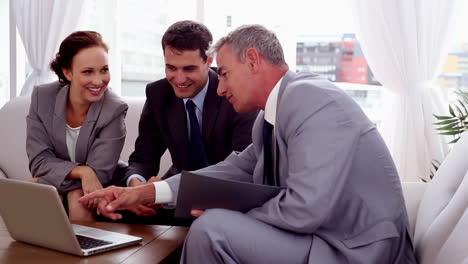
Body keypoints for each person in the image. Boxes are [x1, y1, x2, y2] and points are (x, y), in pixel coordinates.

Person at [80, 24, 417, 263]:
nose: (221, 88)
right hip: (326, 236)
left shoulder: (312, 100)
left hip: (355, 248)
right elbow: (234, 169)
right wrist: (145, 192)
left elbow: (304, 209)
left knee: (213, 229)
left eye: (224, 73)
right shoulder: (272, 114)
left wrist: (229, 211)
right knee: (213, 225)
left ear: (253, 61)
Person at [113, 20, 258, 222]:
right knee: (118, 212)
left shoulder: (234, 93)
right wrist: (137, 185)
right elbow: (143, 158)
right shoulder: (158, 93)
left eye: (189, 69)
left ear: (209, 61)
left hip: (223, 196)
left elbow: (240, 169)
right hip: (173, 192)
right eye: (171, 68)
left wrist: (162, 190)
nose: (179, 79)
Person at [26, 31, 128, 222]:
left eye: (104, 70)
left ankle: (85, 251)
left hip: (107, 185)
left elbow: (100, 174)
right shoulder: (42, 97)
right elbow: (39, 161)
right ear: (68, 72)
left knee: (76, 198)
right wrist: (83, 172)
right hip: (76, 183)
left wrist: (41, 182)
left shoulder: (114, 108)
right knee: (36, 195)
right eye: (88, 72)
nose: (99, 81)